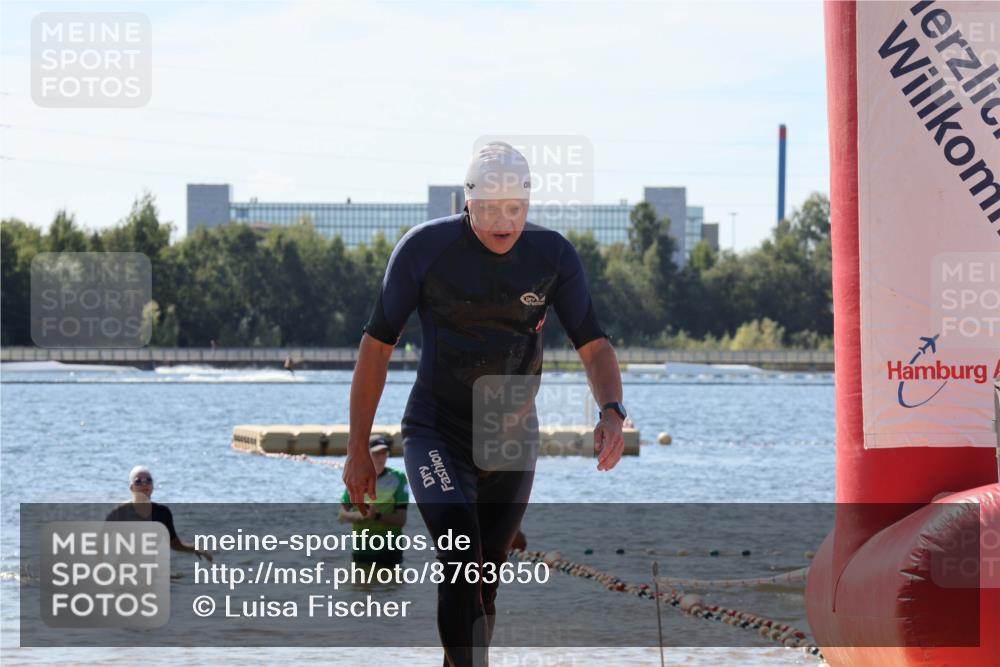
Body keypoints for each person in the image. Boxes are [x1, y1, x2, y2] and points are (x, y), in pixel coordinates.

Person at [343, 141, 626, 667]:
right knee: (459, 555)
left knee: (484, 582)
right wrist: (358, 446)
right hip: (437, 430)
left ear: (529, 203)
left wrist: (611, 411)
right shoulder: (424, 250)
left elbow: (593, 345)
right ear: (467, 200)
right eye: (491, 208)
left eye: (516, 208)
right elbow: (376, 347)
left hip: (511, 439)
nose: (504, 221)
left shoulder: (553, 257)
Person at [105, 465, 213, 561]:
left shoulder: (162, 513)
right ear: (131, 487)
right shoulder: (119, 513)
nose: (144, 484)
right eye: (138, 481)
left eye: (148, 480)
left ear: (152, 486)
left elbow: (174, 543)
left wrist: (194, 549)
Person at [338, 435, 409, 566]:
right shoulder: (355, 478)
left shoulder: (398, 477)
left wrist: (376, 516)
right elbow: (342, 516)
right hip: (362, 551)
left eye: (384, 453)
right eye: (376, 453)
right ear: (366, 455)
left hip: (390, 552)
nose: (381, 458)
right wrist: (364, 515)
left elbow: (401, 520)